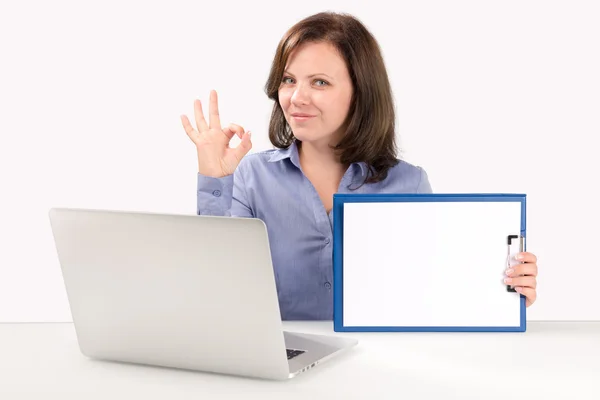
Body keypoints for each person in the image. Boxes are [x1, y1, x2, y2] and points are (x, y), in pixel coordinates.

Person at [180, 11, 539, 320]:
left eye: (319, 82)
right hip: (282, 367)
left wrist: (504, 290)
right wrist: (215, 177)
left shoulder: (409, 184)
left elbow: (431, 290)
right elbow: (216, 291)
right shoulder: (252, 177)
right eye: (289, 80)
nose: (297, 98)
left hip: (378, 369)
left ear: (361, 92)